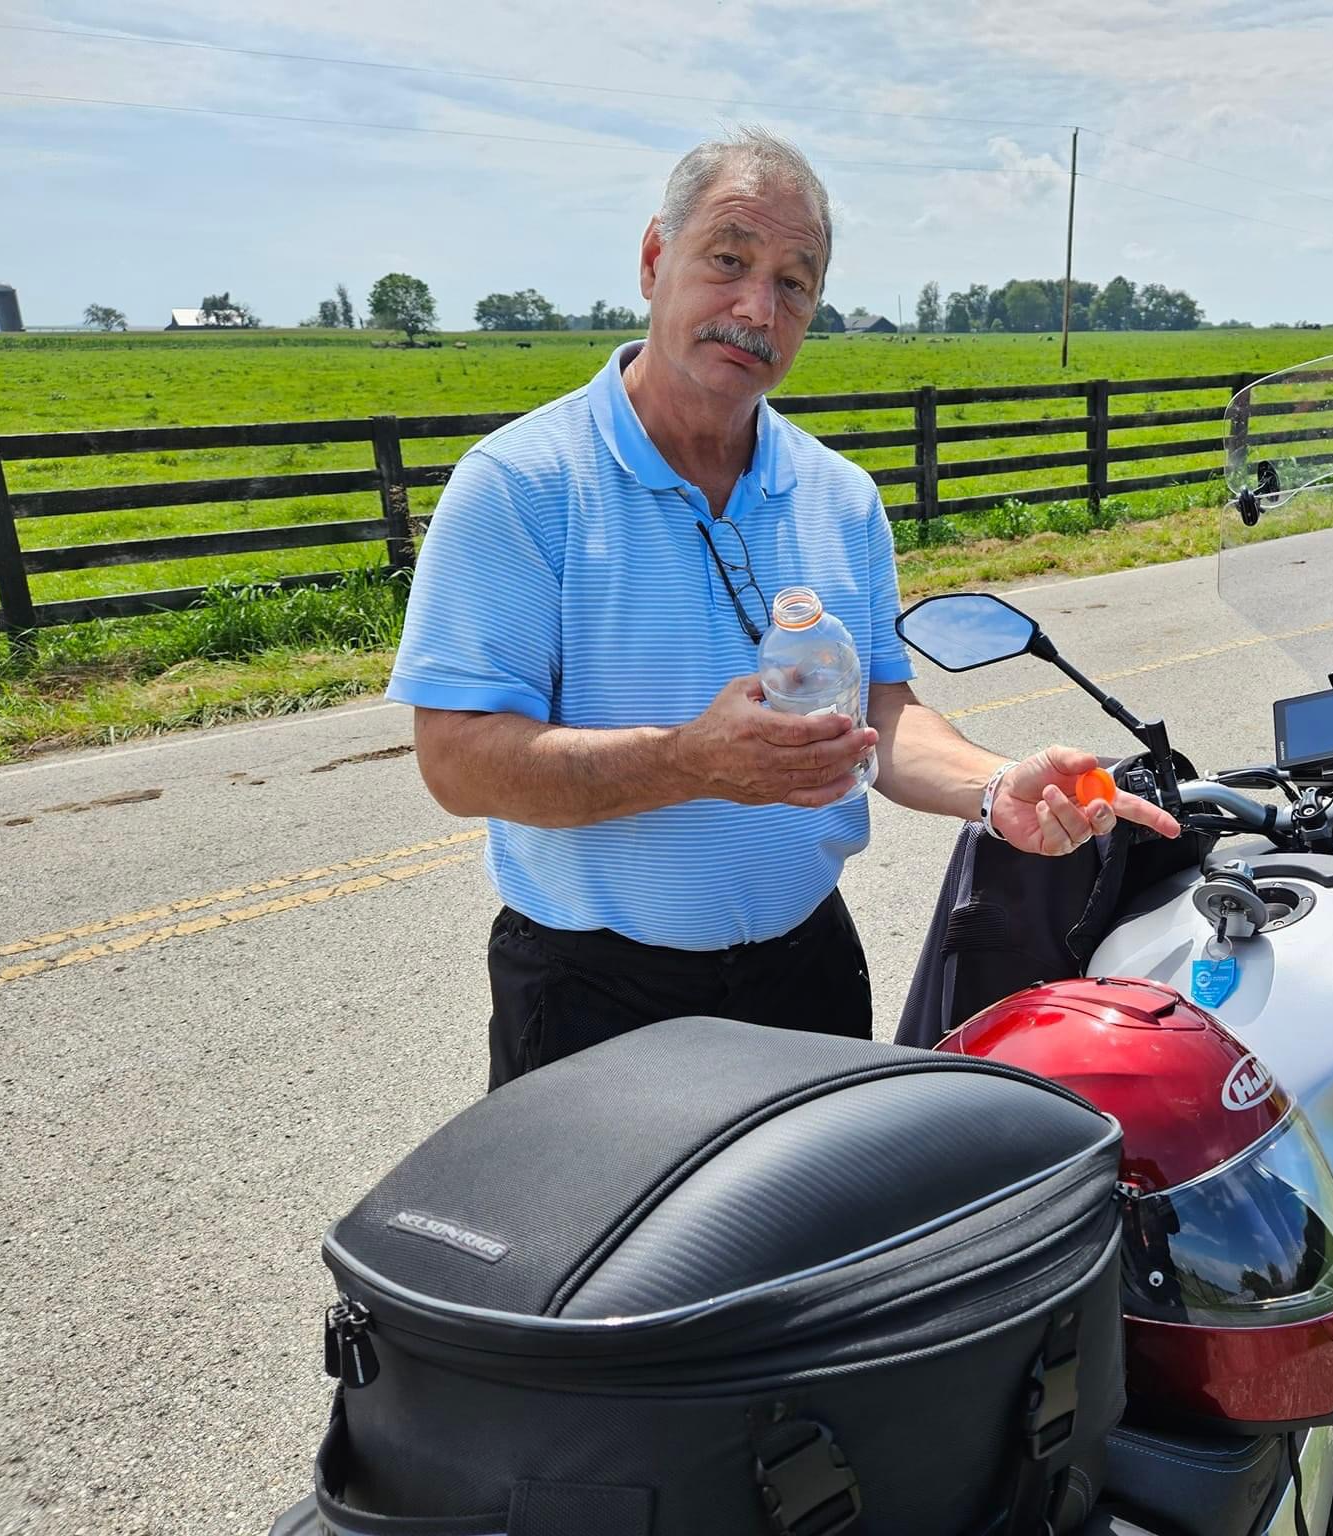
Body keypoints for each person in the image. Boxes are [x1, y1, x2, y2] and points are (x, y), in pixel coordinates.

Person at [387, 127, 1178, 1087]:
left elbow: (880, 712)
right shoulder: (521, 486)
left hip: (807, 973)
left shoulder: (839, 496)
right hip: (593, 998)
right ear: (654, 258)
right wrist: (689, 760)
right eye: (729, 259)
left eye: (794, 284)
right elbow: (459, 762)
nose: (757, 308)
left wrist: (994, 785)